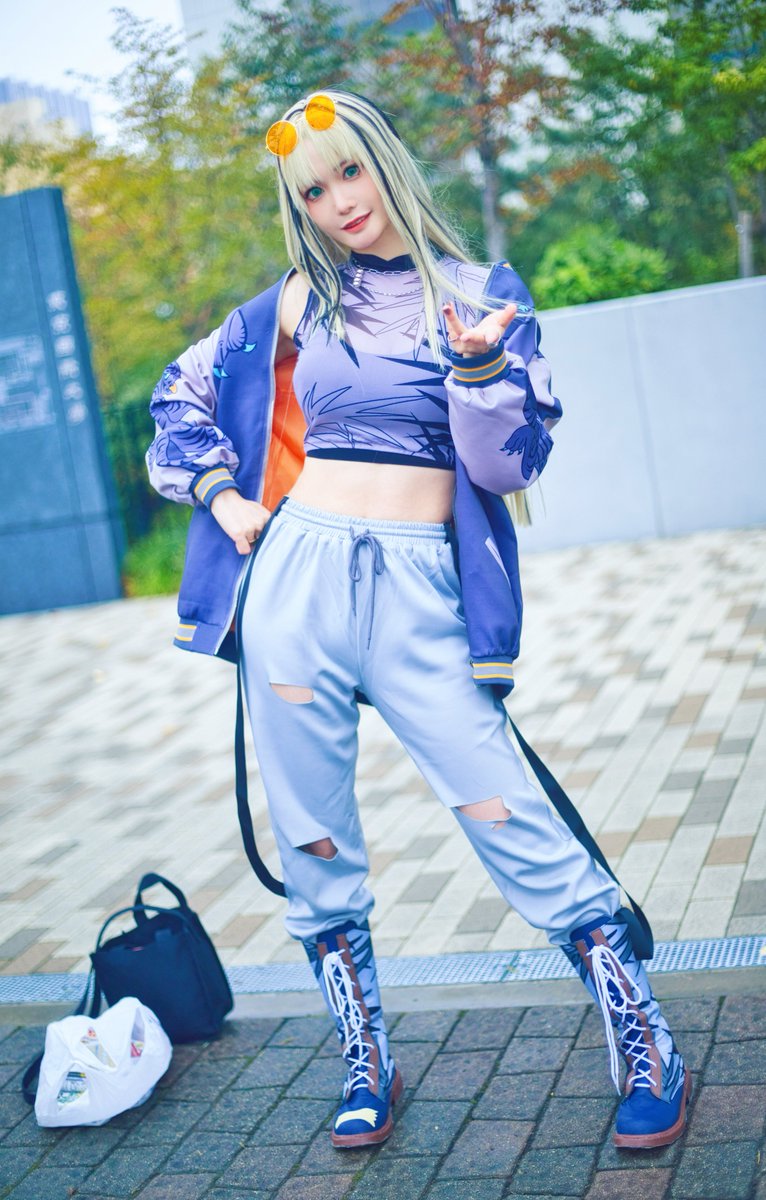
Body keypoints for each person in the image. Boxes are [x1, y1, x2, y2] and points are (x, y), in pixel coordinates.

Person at [146, 89, 690, 1153]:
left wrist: (477, 366)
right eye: (313, 190)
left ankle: (645, 1040)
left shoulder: (484, 294)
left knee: (505, 811)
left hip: (418, 592)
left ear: (385, 163)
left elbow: (507, 464)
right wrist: (223, 497)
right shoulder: (298, 302)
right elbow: (180, 394)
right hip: (296, 586)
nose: (339, 201)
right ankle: (366, 1059)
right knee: (312, 835)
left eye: (349, 171)